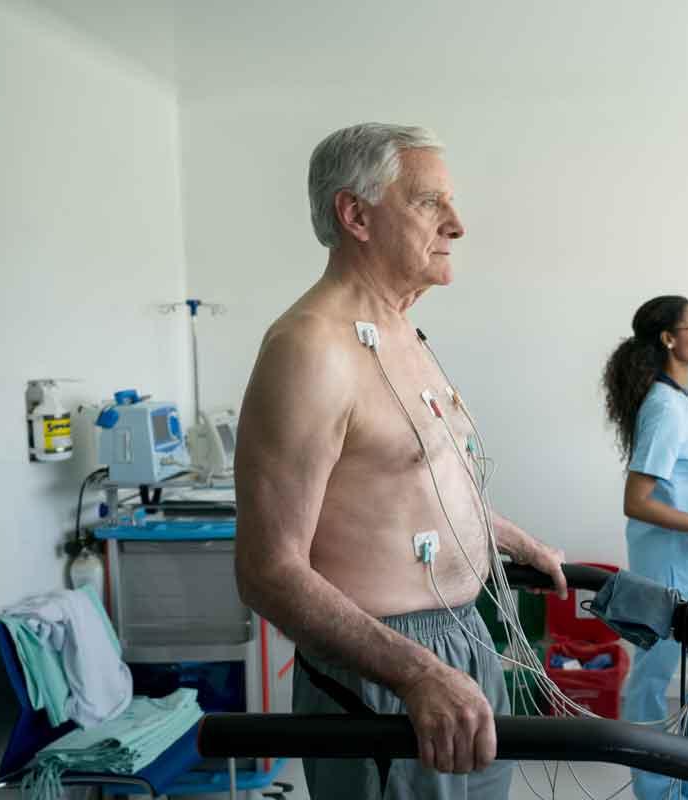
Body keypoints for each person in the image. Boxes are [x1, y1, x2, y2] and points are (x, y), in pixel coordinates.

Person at [234, 123, 567, 800]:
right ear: (355, 214)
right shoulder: (309, 349)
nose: (458, 225)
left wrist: (509, 537)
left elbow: (416, 476)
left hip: (466, 636)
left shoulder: (402, 328)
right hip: (384, 663)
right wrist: (414, 672)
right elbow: (268, 571)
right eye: (428, 203)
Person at [602, 295, 688, 800]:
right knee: (653, 682)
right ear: (669, 339)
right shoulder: (663, 406)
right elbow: (636, 501)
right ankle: (657, 793)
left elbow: (678, 482)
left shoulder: (680, 401)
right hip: (671, 567)